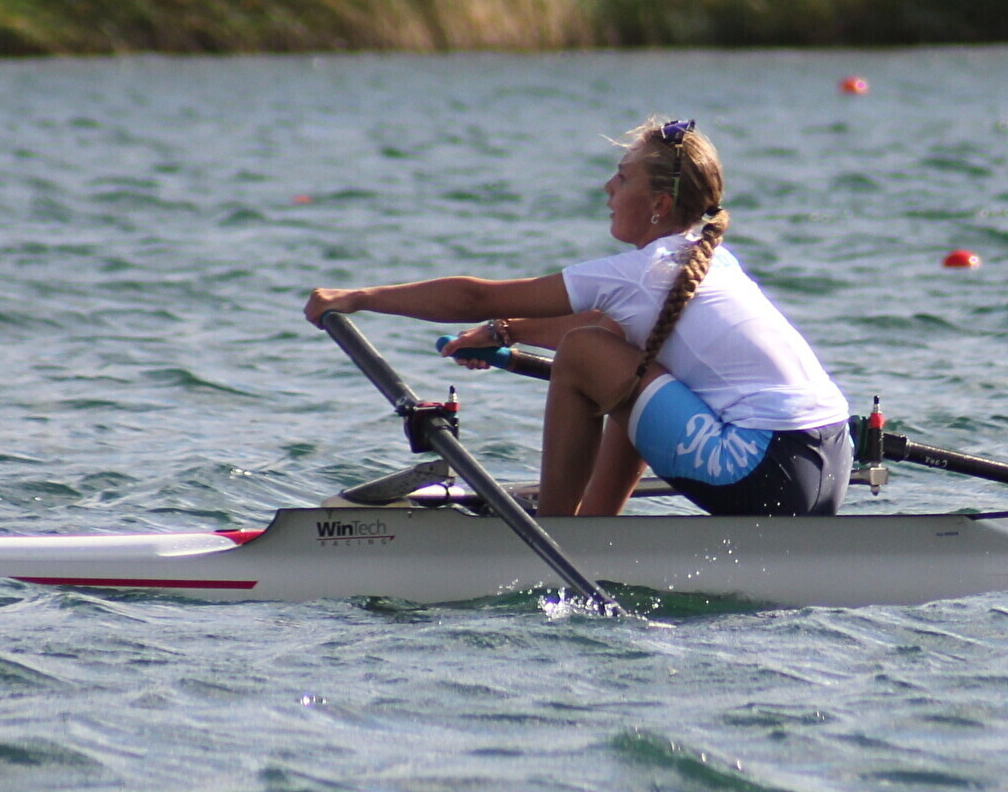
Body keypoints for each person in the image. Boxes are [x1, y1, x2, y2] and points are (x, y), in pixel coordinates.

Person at [303, 119, 852, 518]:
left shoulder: (643, 274)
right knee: (621, 364)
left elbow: (475, 297)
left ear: (659, 205)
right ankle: (593, 528)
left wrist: (358, 297)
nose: (608, 189)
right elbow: (605, 329)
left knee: (585, 355)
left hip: (761, 471)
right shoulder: (708, 263)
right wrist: (504, 333)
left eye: (622, 178)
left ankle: (558, 532)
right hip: (830, 464)